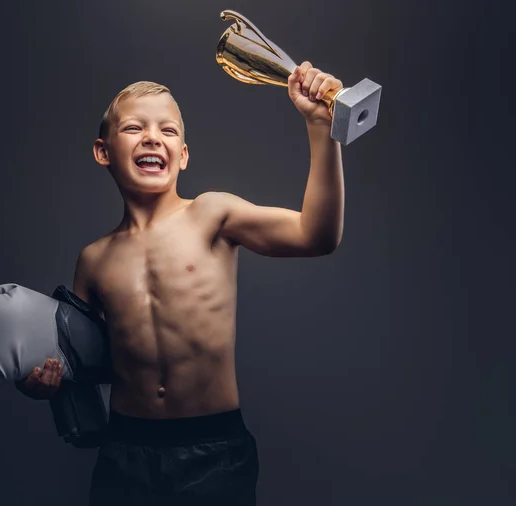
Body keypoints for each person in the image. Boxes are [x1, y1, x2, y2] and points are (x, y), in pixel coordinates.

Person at [17, 62, 345, 505]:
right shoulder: (93, 260)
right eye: (135, 127)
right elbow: (84, 366)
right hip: (125, 450)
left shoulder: (212, 213)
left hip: (213, 449)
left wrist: (321, 128)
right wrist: (43, 383)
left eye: (168, 131)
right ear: (103, 151)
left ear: (184, 156)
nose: (153, 137)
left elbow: (317, 236)